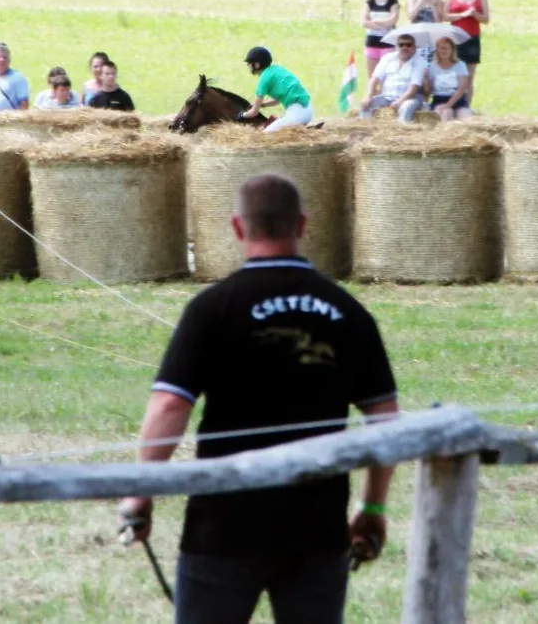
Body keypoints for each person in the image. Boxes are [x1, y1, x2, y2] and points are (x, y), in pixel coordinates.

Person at [117, 174, 398, 624]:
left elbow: (170, 407)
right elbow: (385, 420)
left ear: (236, 227)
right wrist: (373, 507)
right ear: (302, 225)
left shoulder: (212, 307)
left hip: (222, 527)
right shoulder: (348, 311)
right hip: (317, 526)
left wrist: (140, 495)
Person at [243, 47, 313, 132]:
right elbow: (278, 100)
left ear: (257, 64)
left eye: (249, 63)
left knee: (265, 135)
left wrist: (241, 115)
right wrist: (263, 104)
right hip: (307, 110)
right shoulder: (277, 69)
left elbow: (254, 113)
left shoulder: (263, 80)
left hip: (297, 114)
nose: (248, 65)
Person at [358, 35, 426, 121]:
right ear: (396, 47)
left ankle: (403, 131)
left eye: (408, 45)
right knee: (366, 105)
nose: (404, 47)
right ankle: (366, 130)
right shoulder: (387, 58)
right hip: (387, 97)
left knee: (406, 108)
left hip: (409, 98)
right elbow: (374, 79)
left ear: (414, 47)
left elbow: (413, 89)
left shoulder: (420, 62)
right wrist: (368, 96)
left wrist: (399, 102)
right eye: (401, 45)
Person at [445, 0, 489, 96]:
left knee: (469, 76)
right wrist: (463, 15)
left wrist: (475, 14)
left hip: (472, 38)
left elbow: (486, 19)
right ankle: (454, 103)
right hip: (455, 39)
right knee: (454, 74)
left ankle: (467, 106)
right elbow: (444, 16)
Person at [360, 0, 400, 79]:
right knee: (372, 76)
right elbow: (364, 21)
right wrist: (380, 25)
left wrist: (376, 21)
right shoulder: (370, 1)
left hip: (387, 42)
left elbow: (393, 20)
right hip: (372, 42)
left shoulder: (393, 1)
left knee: (386, 76)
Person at [426, 36, 471, 120]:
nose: (444, 51)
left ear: (452, 50)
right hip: (439, 100)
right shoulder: (432, 66)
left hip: (458, 100)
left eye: (446, 48)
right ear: (437, 50)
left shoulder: (460, 65)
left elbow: (461, 90)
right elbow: (429, 90)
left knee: (466, 118)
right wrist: (425, 78)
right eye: (441, 48)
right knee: (446, 114)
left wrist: (447, 105)